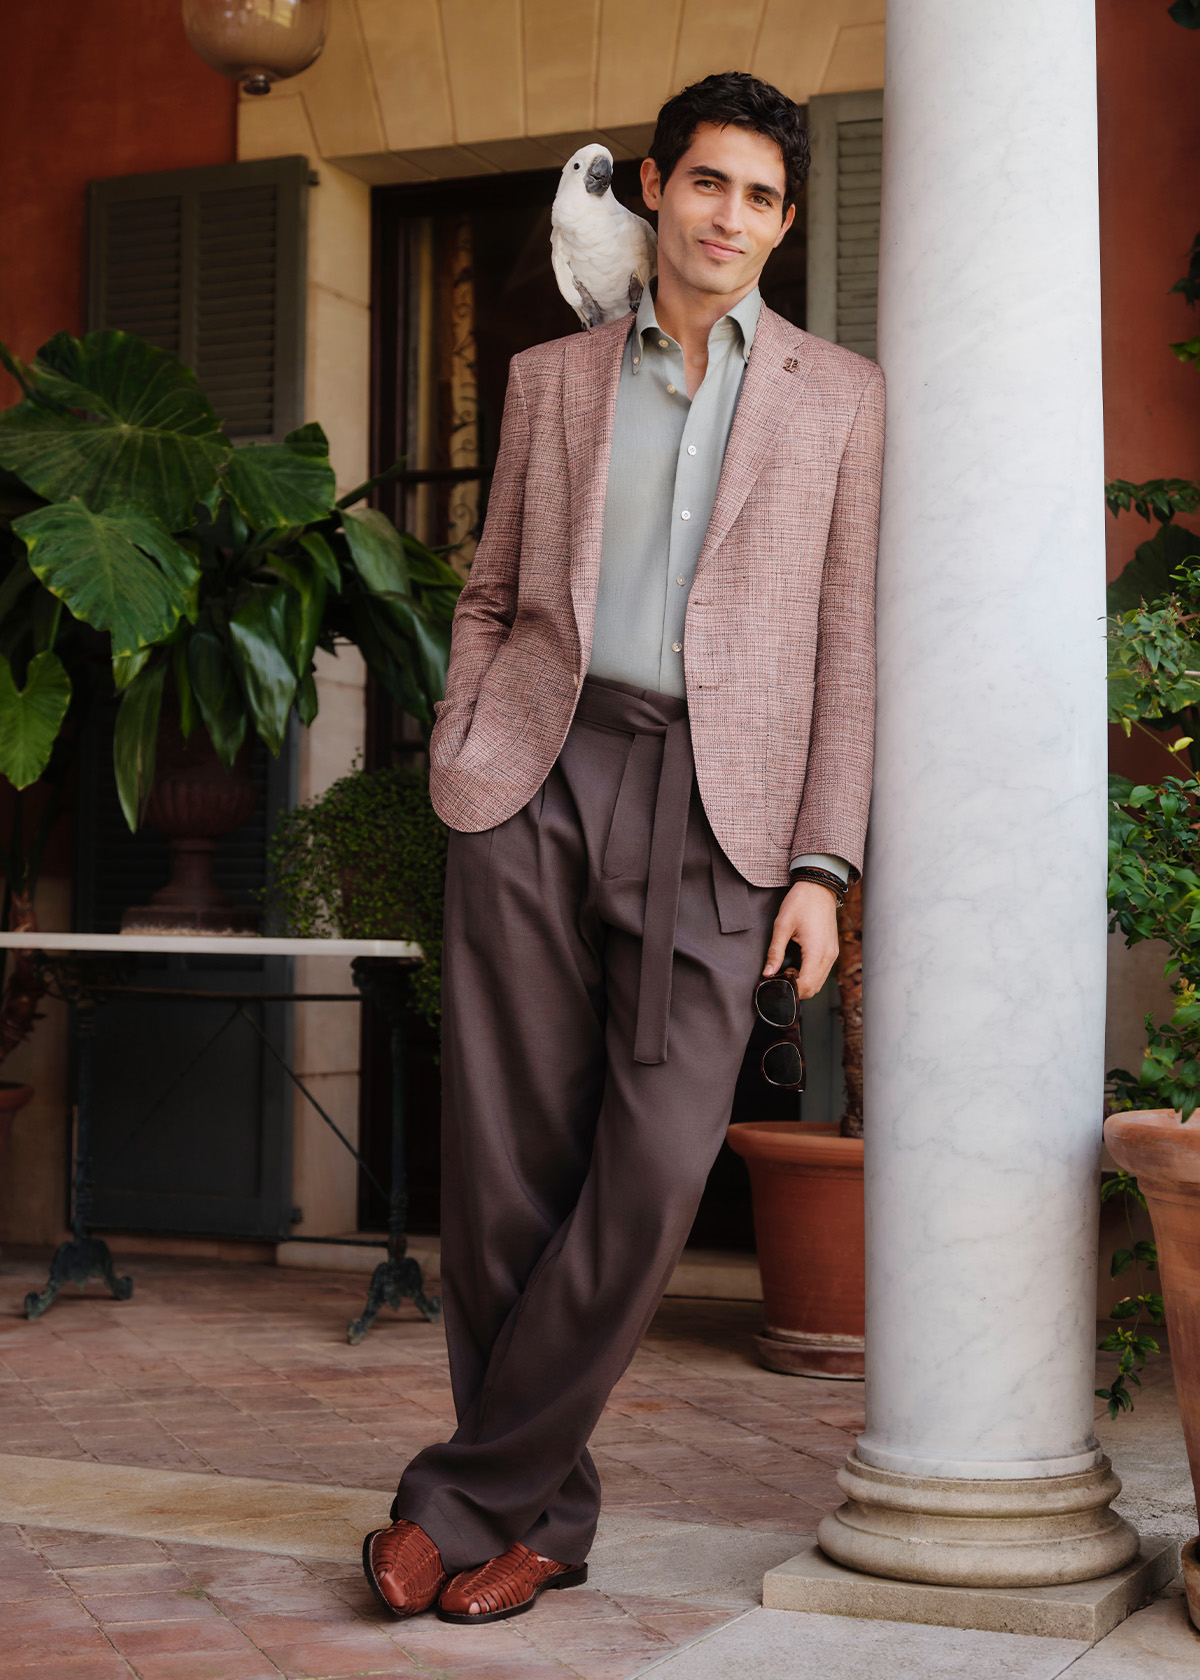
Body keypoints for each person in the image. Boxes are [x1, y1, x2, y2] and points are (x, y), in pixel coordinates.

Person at [363, 69, 884, 1625]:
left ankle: (457, 1497)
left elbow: (846, 650)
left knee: (654, 1167)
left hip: (720, 817)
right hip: (538, 773)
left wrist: (824, 866)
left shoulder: (838, 396)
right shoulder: (551, 380)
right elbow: (486, 589)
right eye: (709, 183)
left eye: (763, 198)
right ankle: (539, 1521)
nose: (732, 219)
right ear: (656, 186)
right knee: (508, 1170)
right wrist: (472, 739)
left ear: (785, 223)